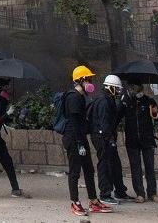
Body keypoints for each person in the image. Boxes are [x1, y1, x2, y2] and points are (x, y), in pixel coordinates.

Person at [62, 65, 109, 217]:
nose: (90, 81)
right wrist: (80, 143)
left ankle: (93, 200)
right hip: (74, 138)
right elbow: (75, 122)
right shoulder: (73, 97)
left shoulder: (81, 97)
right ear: (81, 80)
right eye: (88, 78)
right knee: (75, 171)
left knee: (89, 169)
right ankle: (75, 202)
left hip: (80, 137)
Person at [90, 75, 130, 205]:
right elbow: (104, 122)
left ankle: (119, 191)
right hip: (102, 137)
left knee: (115, 165)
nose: (118, 92)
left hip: (106, 136)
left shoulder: (109, 99)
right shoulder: (103, 100)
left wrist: (122, 108)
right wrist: (109, 139)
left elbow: (113, 119)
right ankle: (105, 193)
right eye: (116, 89)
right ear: (110, 87)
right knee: (105, 165)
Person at [123, 83, 158, 203]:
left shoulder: (149, 101)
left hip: (147, 139)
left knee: (150, 167)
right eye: (133, 87)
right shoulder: (127, 102)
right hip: (132, 140)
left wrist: (156, 112)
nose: (135, 90)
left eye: (137, 87)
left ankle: (152, 193)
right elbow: (119, 115)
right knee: (136, 168)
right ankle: (140, 193)